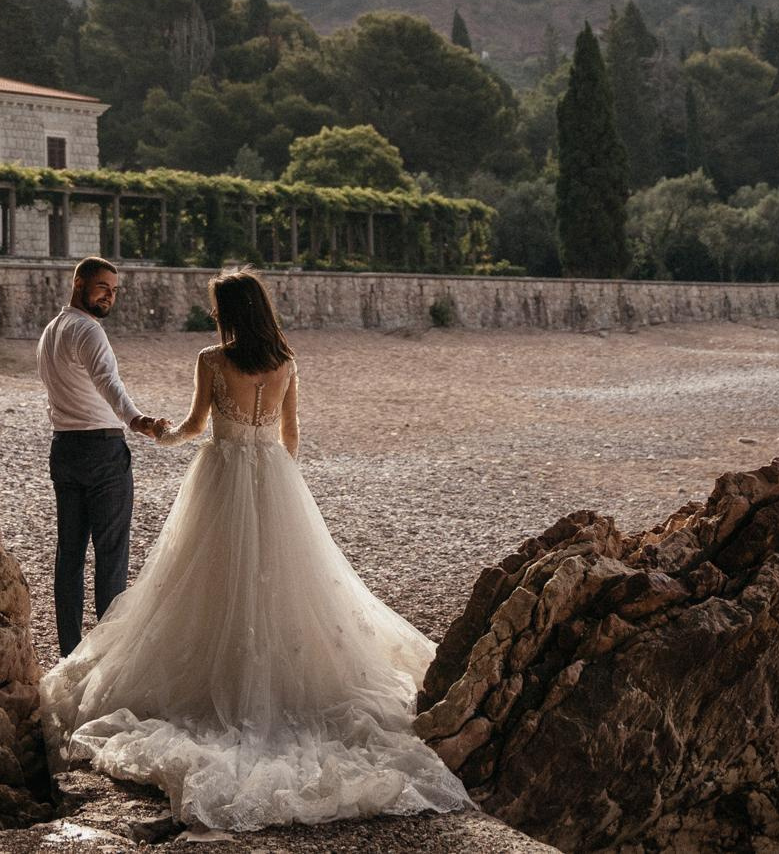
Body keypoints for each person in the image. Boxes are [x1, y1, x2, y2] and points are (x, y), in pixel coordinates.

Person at [38, 269, 470, 832]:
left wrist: (157, 433)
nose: (214, 316)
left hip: (220, 478)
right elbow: (291, 437)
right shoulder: (287, 363)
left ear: (229, 313)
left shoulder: (212, 361)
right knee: (286, 583)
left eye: (218, 309)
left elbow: (195, 425)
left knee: (206, 582)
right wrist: (281, 483)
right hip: (275, 481)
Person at [37, 256, 165, 656]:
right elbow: (107, 381)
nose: (110, 296)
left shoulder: (51, 330)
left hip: (64, 448)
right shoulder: (88, 330)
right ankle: (108, 656)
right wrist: (136, 419)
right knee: (111, 553)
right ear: (79, 283)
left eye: (115, 290)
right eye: (102, 287)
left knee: (70, 555)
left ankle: (69, 652)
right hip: (101, 450)